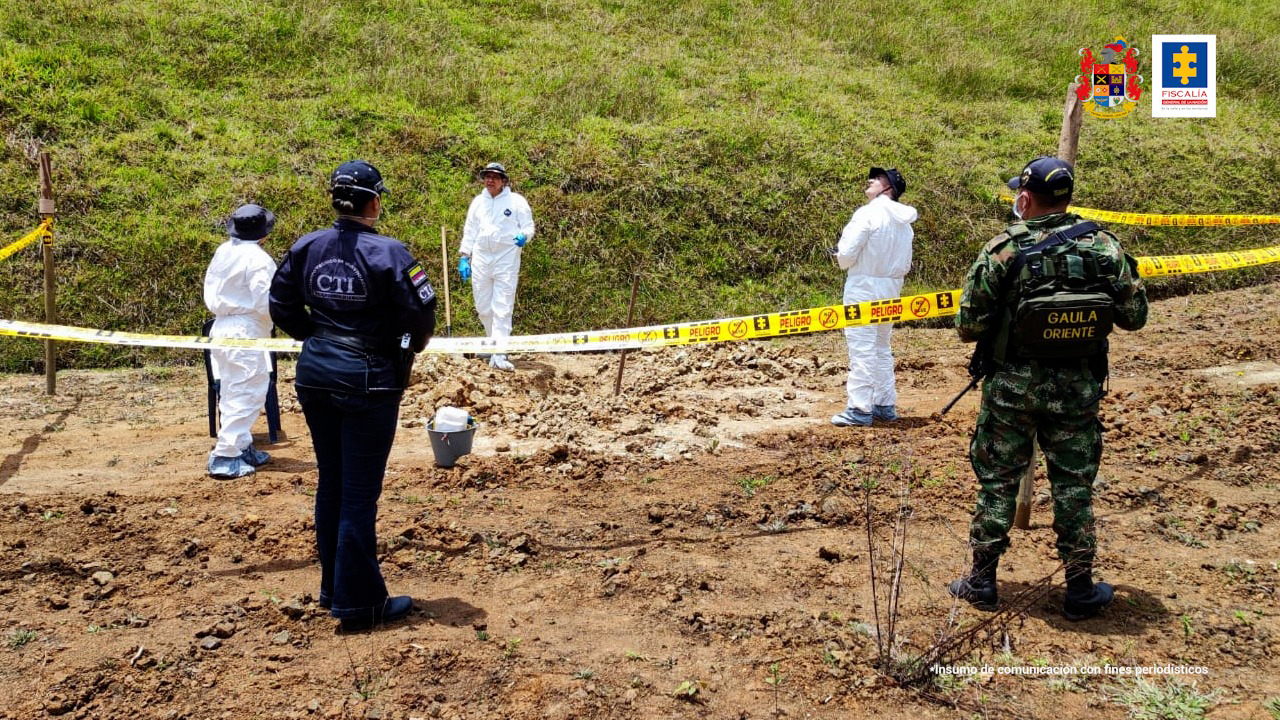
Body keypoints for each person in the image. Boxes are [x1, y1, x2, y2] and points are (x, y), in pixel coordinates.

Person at [948, 156, 1148, 620]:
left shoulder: (1002, 249)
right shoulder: (1104, 247)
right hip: (1077, 391)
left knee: (997, 481)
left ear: (1024, 198)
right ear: (1068, 198)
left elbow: (968, 324)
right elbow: (1135, 317)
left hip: (1011, 391)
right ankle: (1079, 588)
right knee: (1074, 487)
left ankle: (981, 581)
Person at [269, 161, 437, 632]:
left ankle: (334, 587)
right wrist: (400, 347)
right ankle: (359, 603)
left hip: (316, 375)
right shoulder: (391, 254)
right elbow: (422, 320)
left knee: (334, 483)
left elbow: (280, 302)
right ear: (374, 203)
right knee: (359, 495)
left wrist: (316, 335)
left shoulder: (306, 246)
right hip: (370, 380)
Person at [830, 166, 918, 427]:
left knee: (862, 349)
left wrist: (838, 256)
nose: (871, 180)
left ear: (888, 188)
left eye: (879, 178)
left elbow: (845, 257)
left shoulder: (867, 214)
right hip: (891, 289)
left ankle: (859, 408)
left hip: (863, 288)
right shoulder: (905, 224)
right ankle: (884, 405)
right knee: (881, 347)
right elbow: (906, 263)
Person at [204, 204, 278, 479]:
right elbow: (265, 300)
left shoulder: (224, 251)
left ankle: (242, 445)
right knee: (247, 391)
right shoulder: (258, 259)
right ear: (263, 233)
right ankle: (225, 455)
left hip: (222, 328)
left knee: (233, 390)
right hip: (245, 331)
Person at [458, 162, 535, 371]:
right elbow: (470, 231)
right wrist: (465, 256)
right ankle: (492, 342)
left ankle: (500, 352)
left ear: (503, 180)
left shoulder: (516, 202)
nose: (490, 180)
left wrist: (524, 236)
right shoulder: (477, 203)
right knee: (483, 307)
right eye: (487, 176)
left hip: (506, 260)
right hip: (482, 258)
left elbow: (529, 227)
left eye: (495, 177)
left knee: (502, 307)